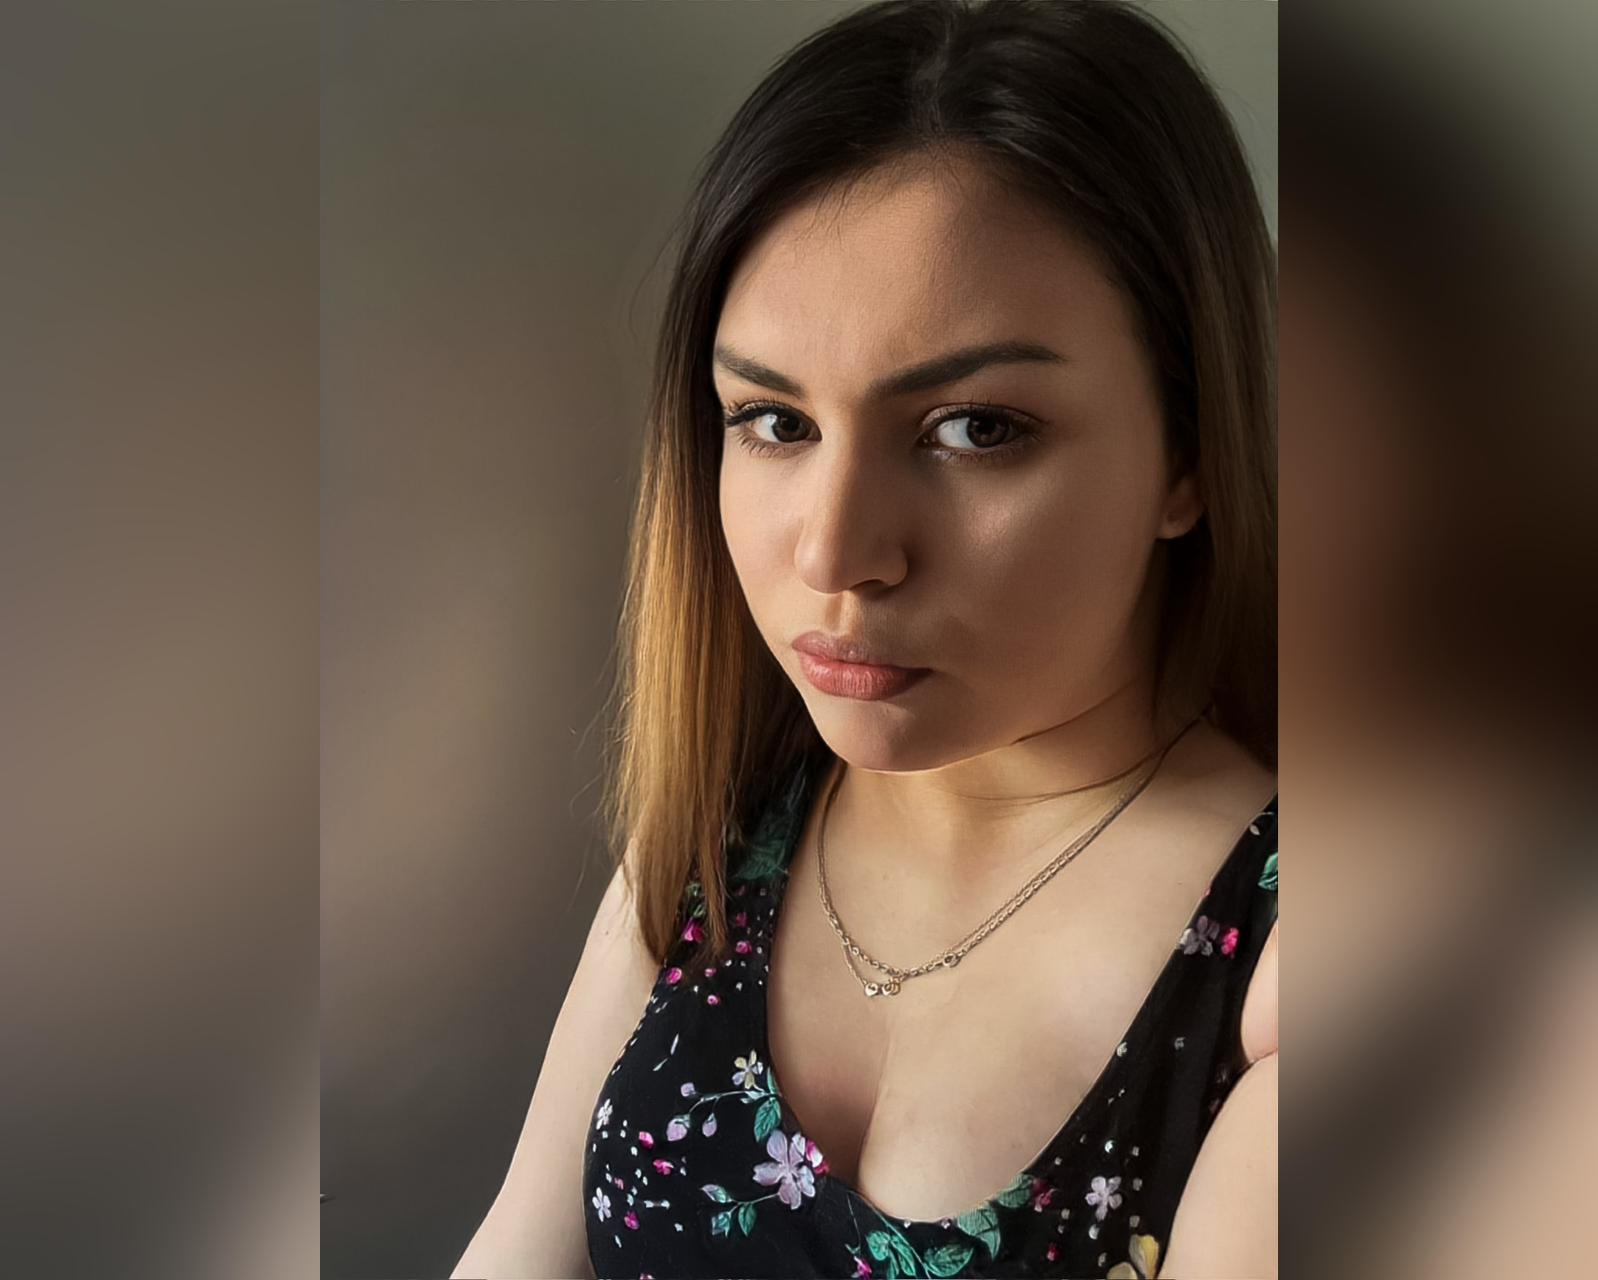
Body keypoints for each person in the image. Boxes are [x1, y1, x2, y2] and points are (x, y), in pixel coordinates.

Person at [454, 1, 1276, 1276]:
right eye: (774, 422)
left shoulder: (1303, 964)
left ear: (1190, 455)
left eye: (975, 428)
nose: (834, 554)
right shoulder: (715, 843)